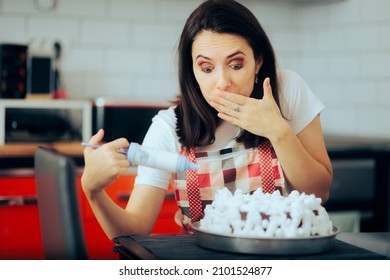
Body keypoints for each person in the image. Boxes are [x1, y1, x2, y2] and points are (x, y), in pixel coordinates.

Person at [81, 0, 333, 238]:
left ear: (258, 62)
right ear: (192, 71)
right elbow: (135, 230)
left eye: (235, 65)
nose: (222, 83)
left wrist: (278, 132)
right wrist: (93, 192)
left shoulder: (285, 90)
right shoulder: (169, 127)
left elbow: (319, 193)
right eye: (207, 68)